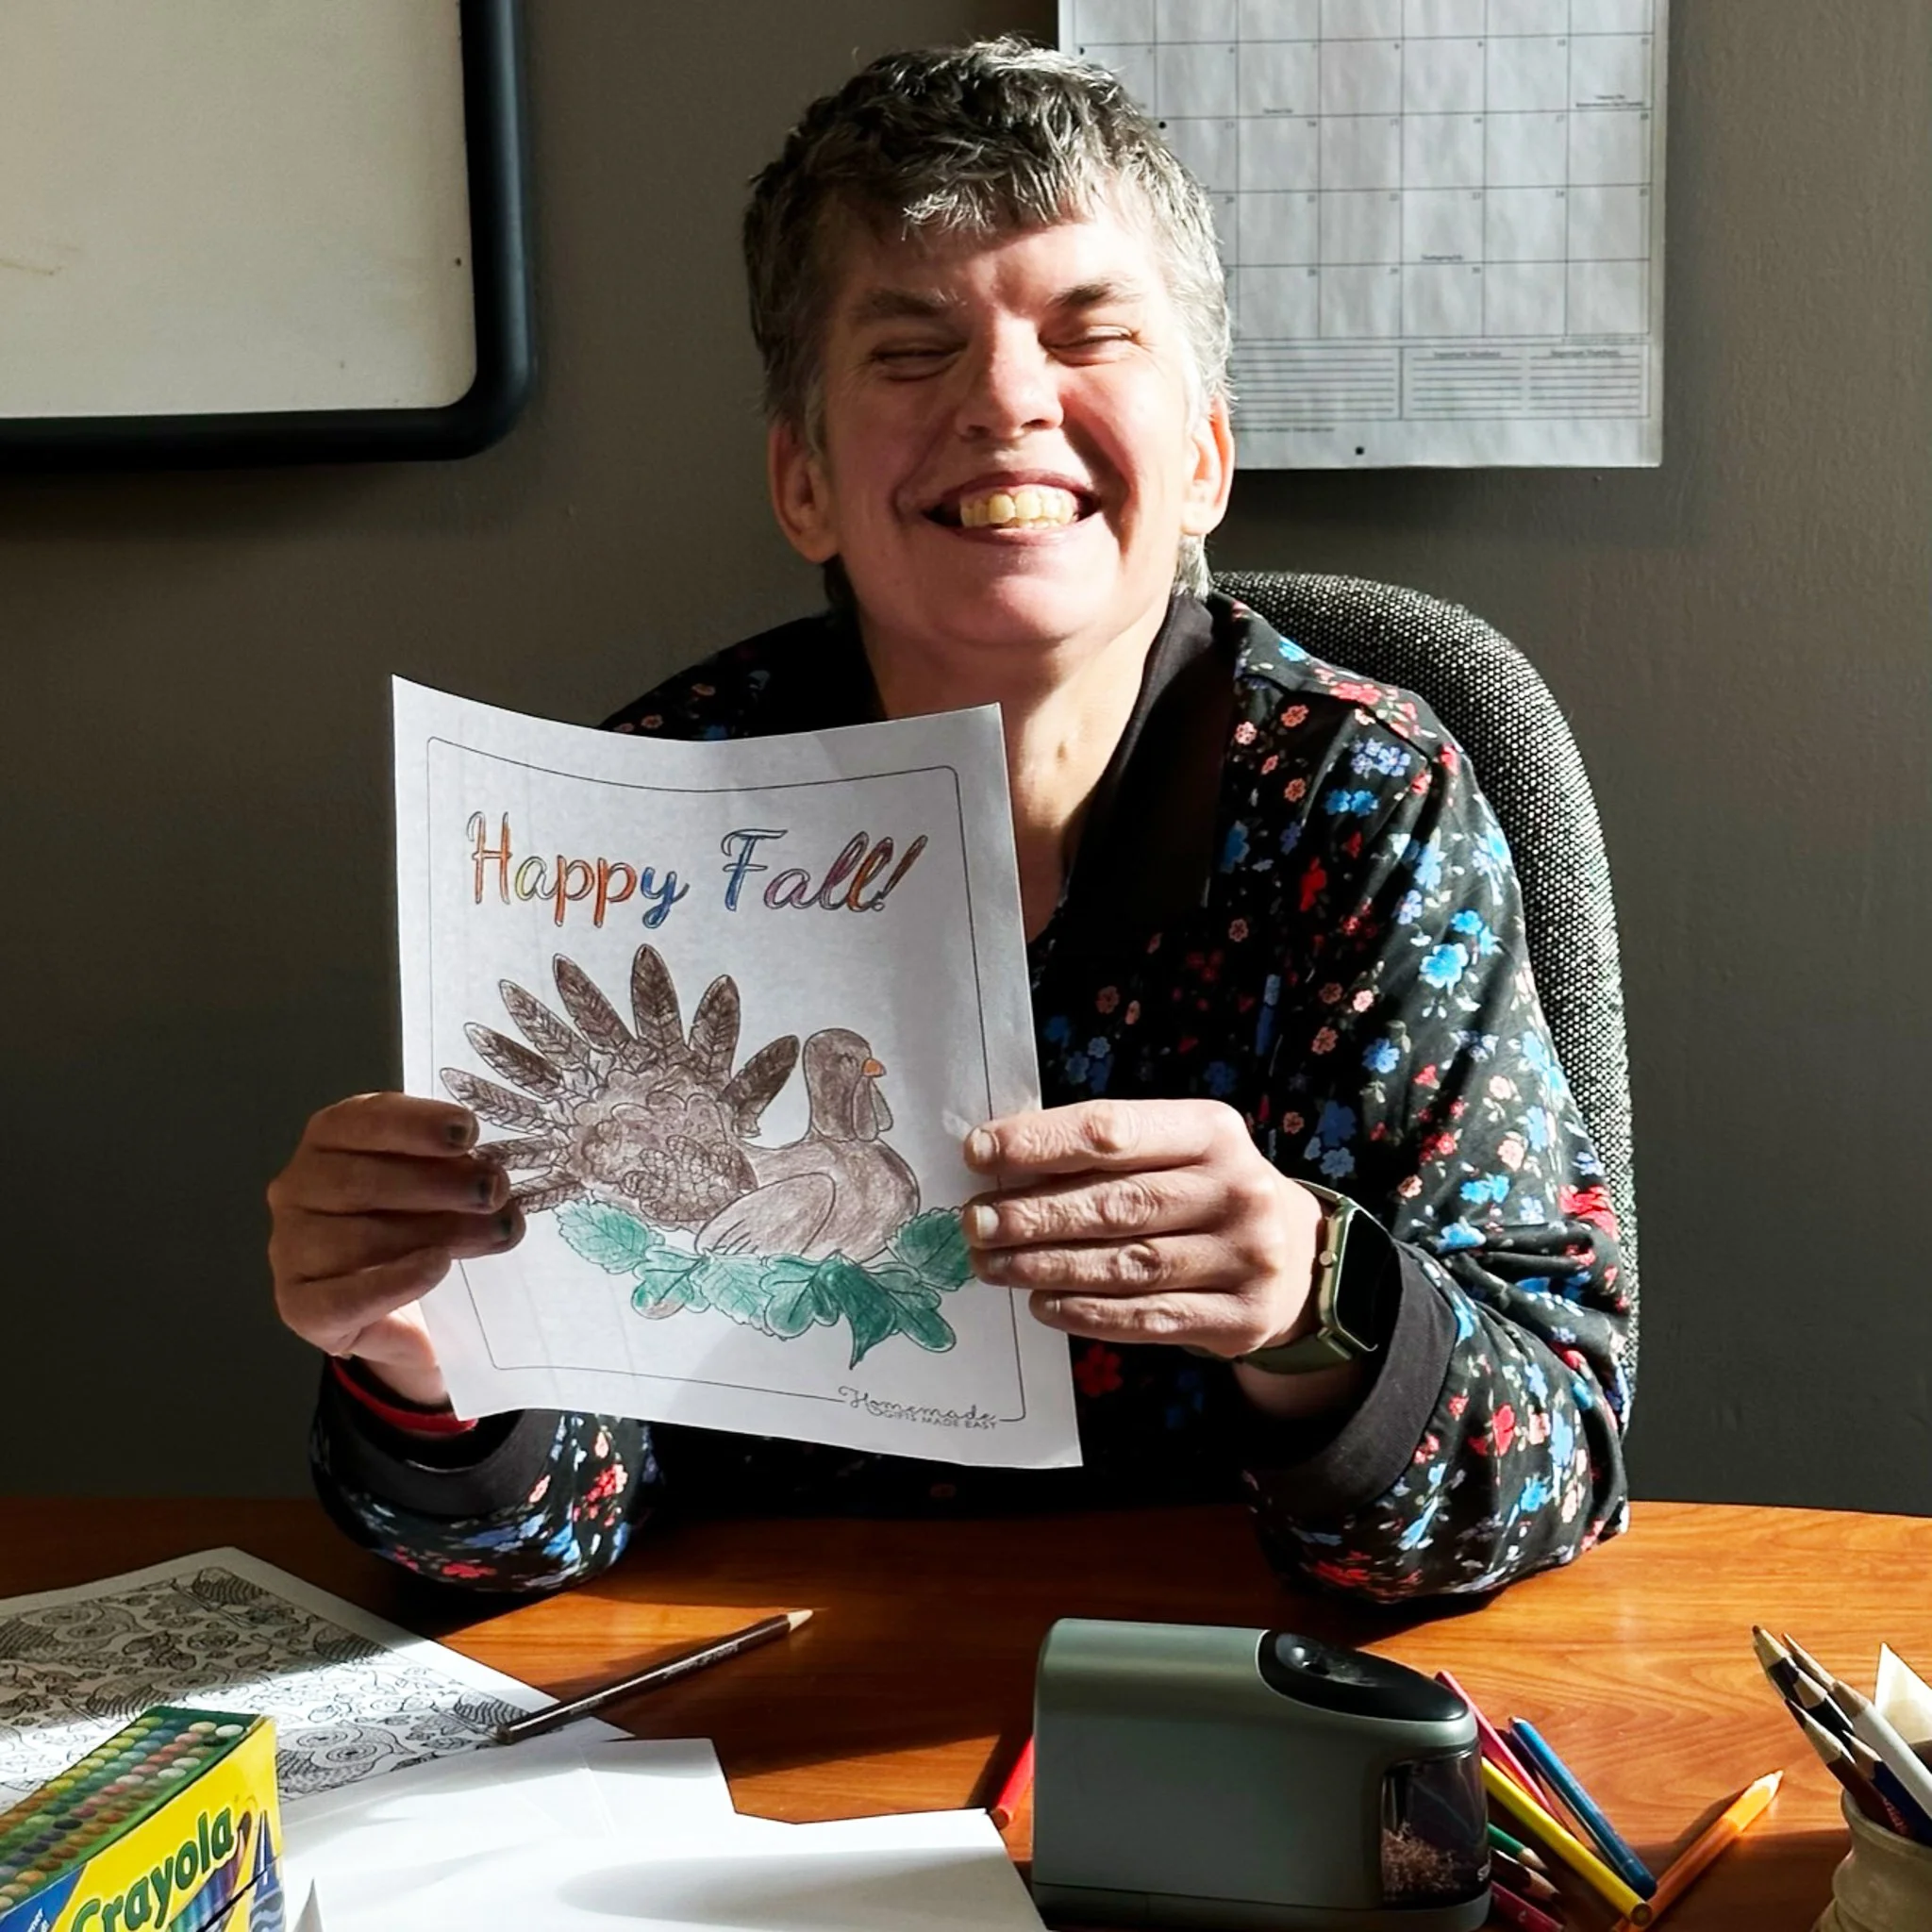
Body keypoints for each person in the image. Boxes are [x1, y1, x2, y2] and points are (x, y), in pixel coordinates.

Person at [268, 39, 1632, 1604]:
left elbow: (1557, 1456)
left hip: (1234, 1689)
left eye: (1090, 332)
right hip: (758, 1714)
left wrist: (1314, 1302)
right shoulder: (653, 816)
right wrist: (435, 1361)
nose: (1005, 399)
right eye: (912, 351)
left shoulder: (1357, 804)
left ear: (1202, 458)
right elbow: (524, 1540)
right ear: (804, 484)